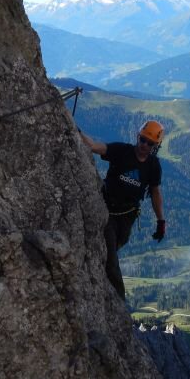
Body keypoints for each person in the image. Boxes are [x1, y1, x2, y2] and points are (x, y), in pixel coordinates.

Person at [79, 120, 166, 299]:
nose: (144, 145)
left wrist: (161, 221)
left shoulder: (153, 166)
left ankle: (100, 283)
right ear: (137, 137)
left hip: (128, 217)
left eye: (150, 143)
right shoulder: (122, 151)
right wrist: (76, 130)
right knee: (110, 257)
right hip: (106, 210)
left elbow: (155, 193)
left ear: (155, 146)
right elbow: (96, 147)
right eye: (143, 140)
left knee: (111, 250)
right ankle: (119, 302)